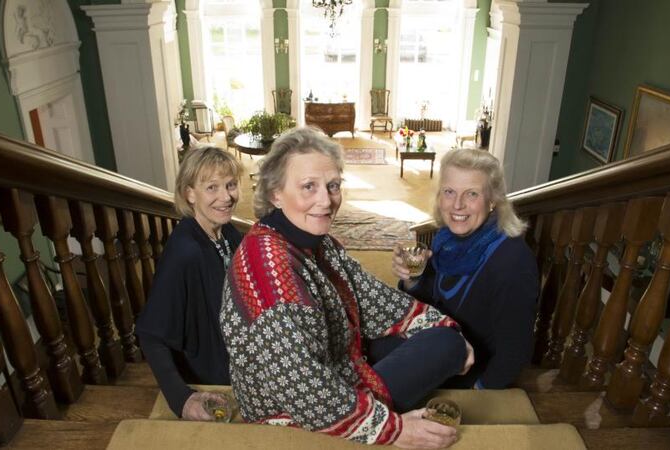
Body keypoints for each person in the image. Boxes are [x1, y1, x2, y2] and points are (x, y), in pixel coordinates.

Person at [220, 127, 474, 448]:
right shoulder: (268, 271)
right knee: (444, 347)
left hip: (336, 361)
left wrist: (442, 325)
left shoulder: (315, 241)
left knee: (438, 337)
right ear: (275, 193)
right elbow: (303, 386)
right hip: (292, 410)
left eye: (333, 186)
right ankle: (370, 415)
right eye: (308, 187)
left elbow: (370, 296)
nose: (326, 201)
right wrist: (393, 430)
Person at [391, 148, 539, 390]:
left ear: (492, 200)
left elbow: (515, 352)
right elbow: (437, 303)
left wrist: (477, 393)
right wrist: (412, 280)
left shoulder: (512, 263)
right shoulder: (446, 238)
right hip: (438, 344)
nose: (457, 205)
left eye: (472, 194)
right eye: (449, 192)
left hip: (470, 372)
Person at [136, 146, 244, 420]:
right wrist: (181, 399)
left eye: (231, 185)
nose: (226, 197)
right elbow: (151, 334)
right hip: (213, 372)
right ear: (190, 193)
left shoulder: (227, 232)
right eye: (212, 188)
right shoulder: (186, 252)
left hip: (237, 350)